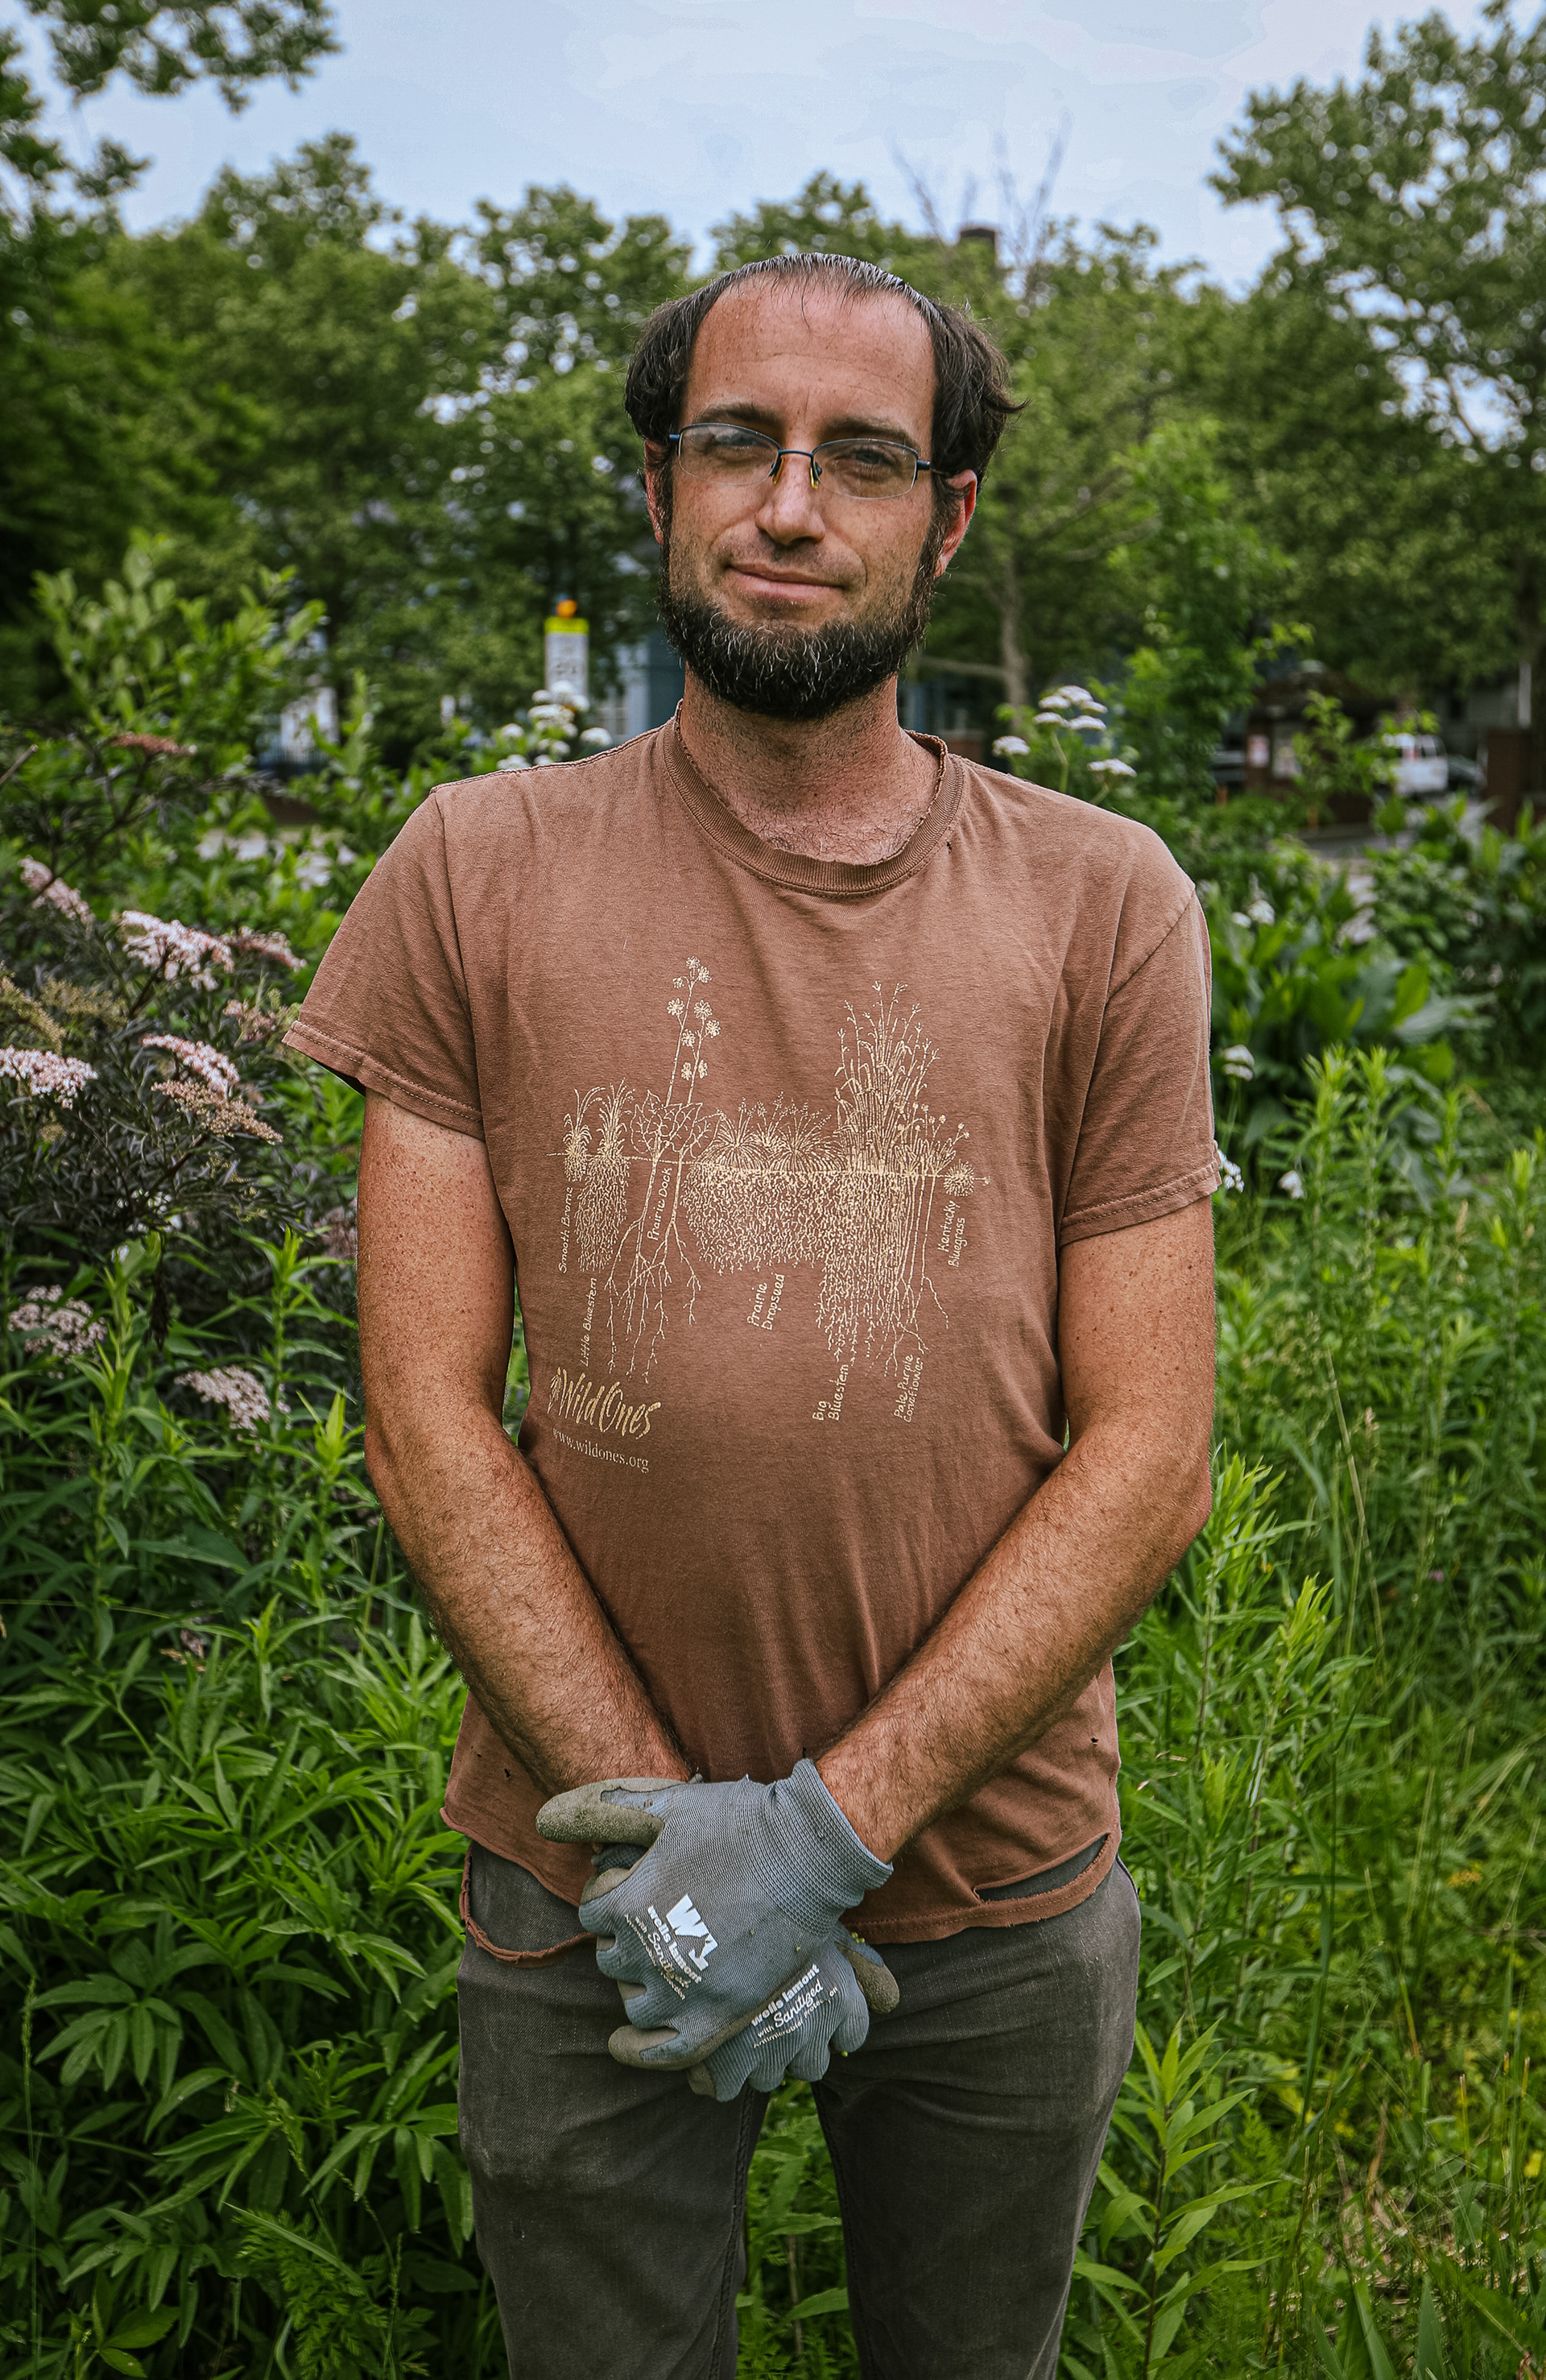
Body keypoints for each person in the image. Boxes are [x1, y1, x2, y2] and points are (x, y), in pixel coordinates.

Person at [286, 250, 1218, 2380]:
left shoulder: (1102, 901)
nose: (792, 505)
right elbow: (429, 1411)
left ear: (946, 518)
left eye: (862, 459)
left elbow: (1148, 1449)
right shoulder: (472, 867)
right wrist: (664, 1850)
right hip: (578, 1883)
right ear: (659, 483)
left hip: (993, 1886)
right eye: (740, 443)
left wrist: (820, 1831)